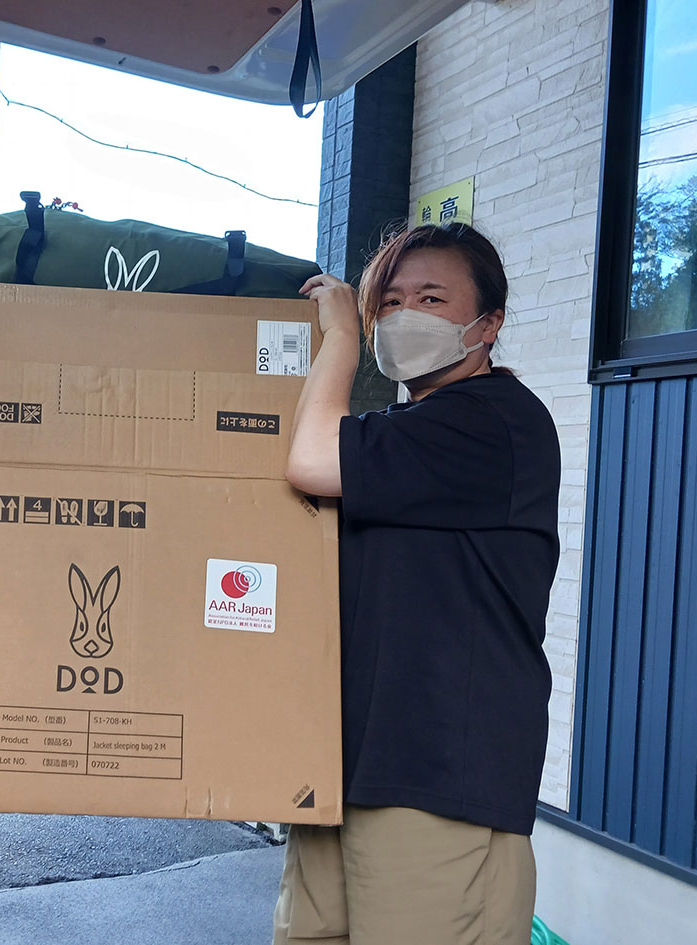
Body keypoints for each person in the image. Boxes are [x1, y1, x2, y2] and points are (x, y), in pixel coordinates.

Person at [275, 223, 561, 945]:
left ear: (487, 323)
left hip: (439, 786)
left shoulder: (495, 423)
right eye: (391, 301)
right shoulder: (404, 433)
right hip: (345, 775)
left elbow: (310, 459)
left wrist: (338, 336)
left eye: (431, 298)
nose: (403, 316)